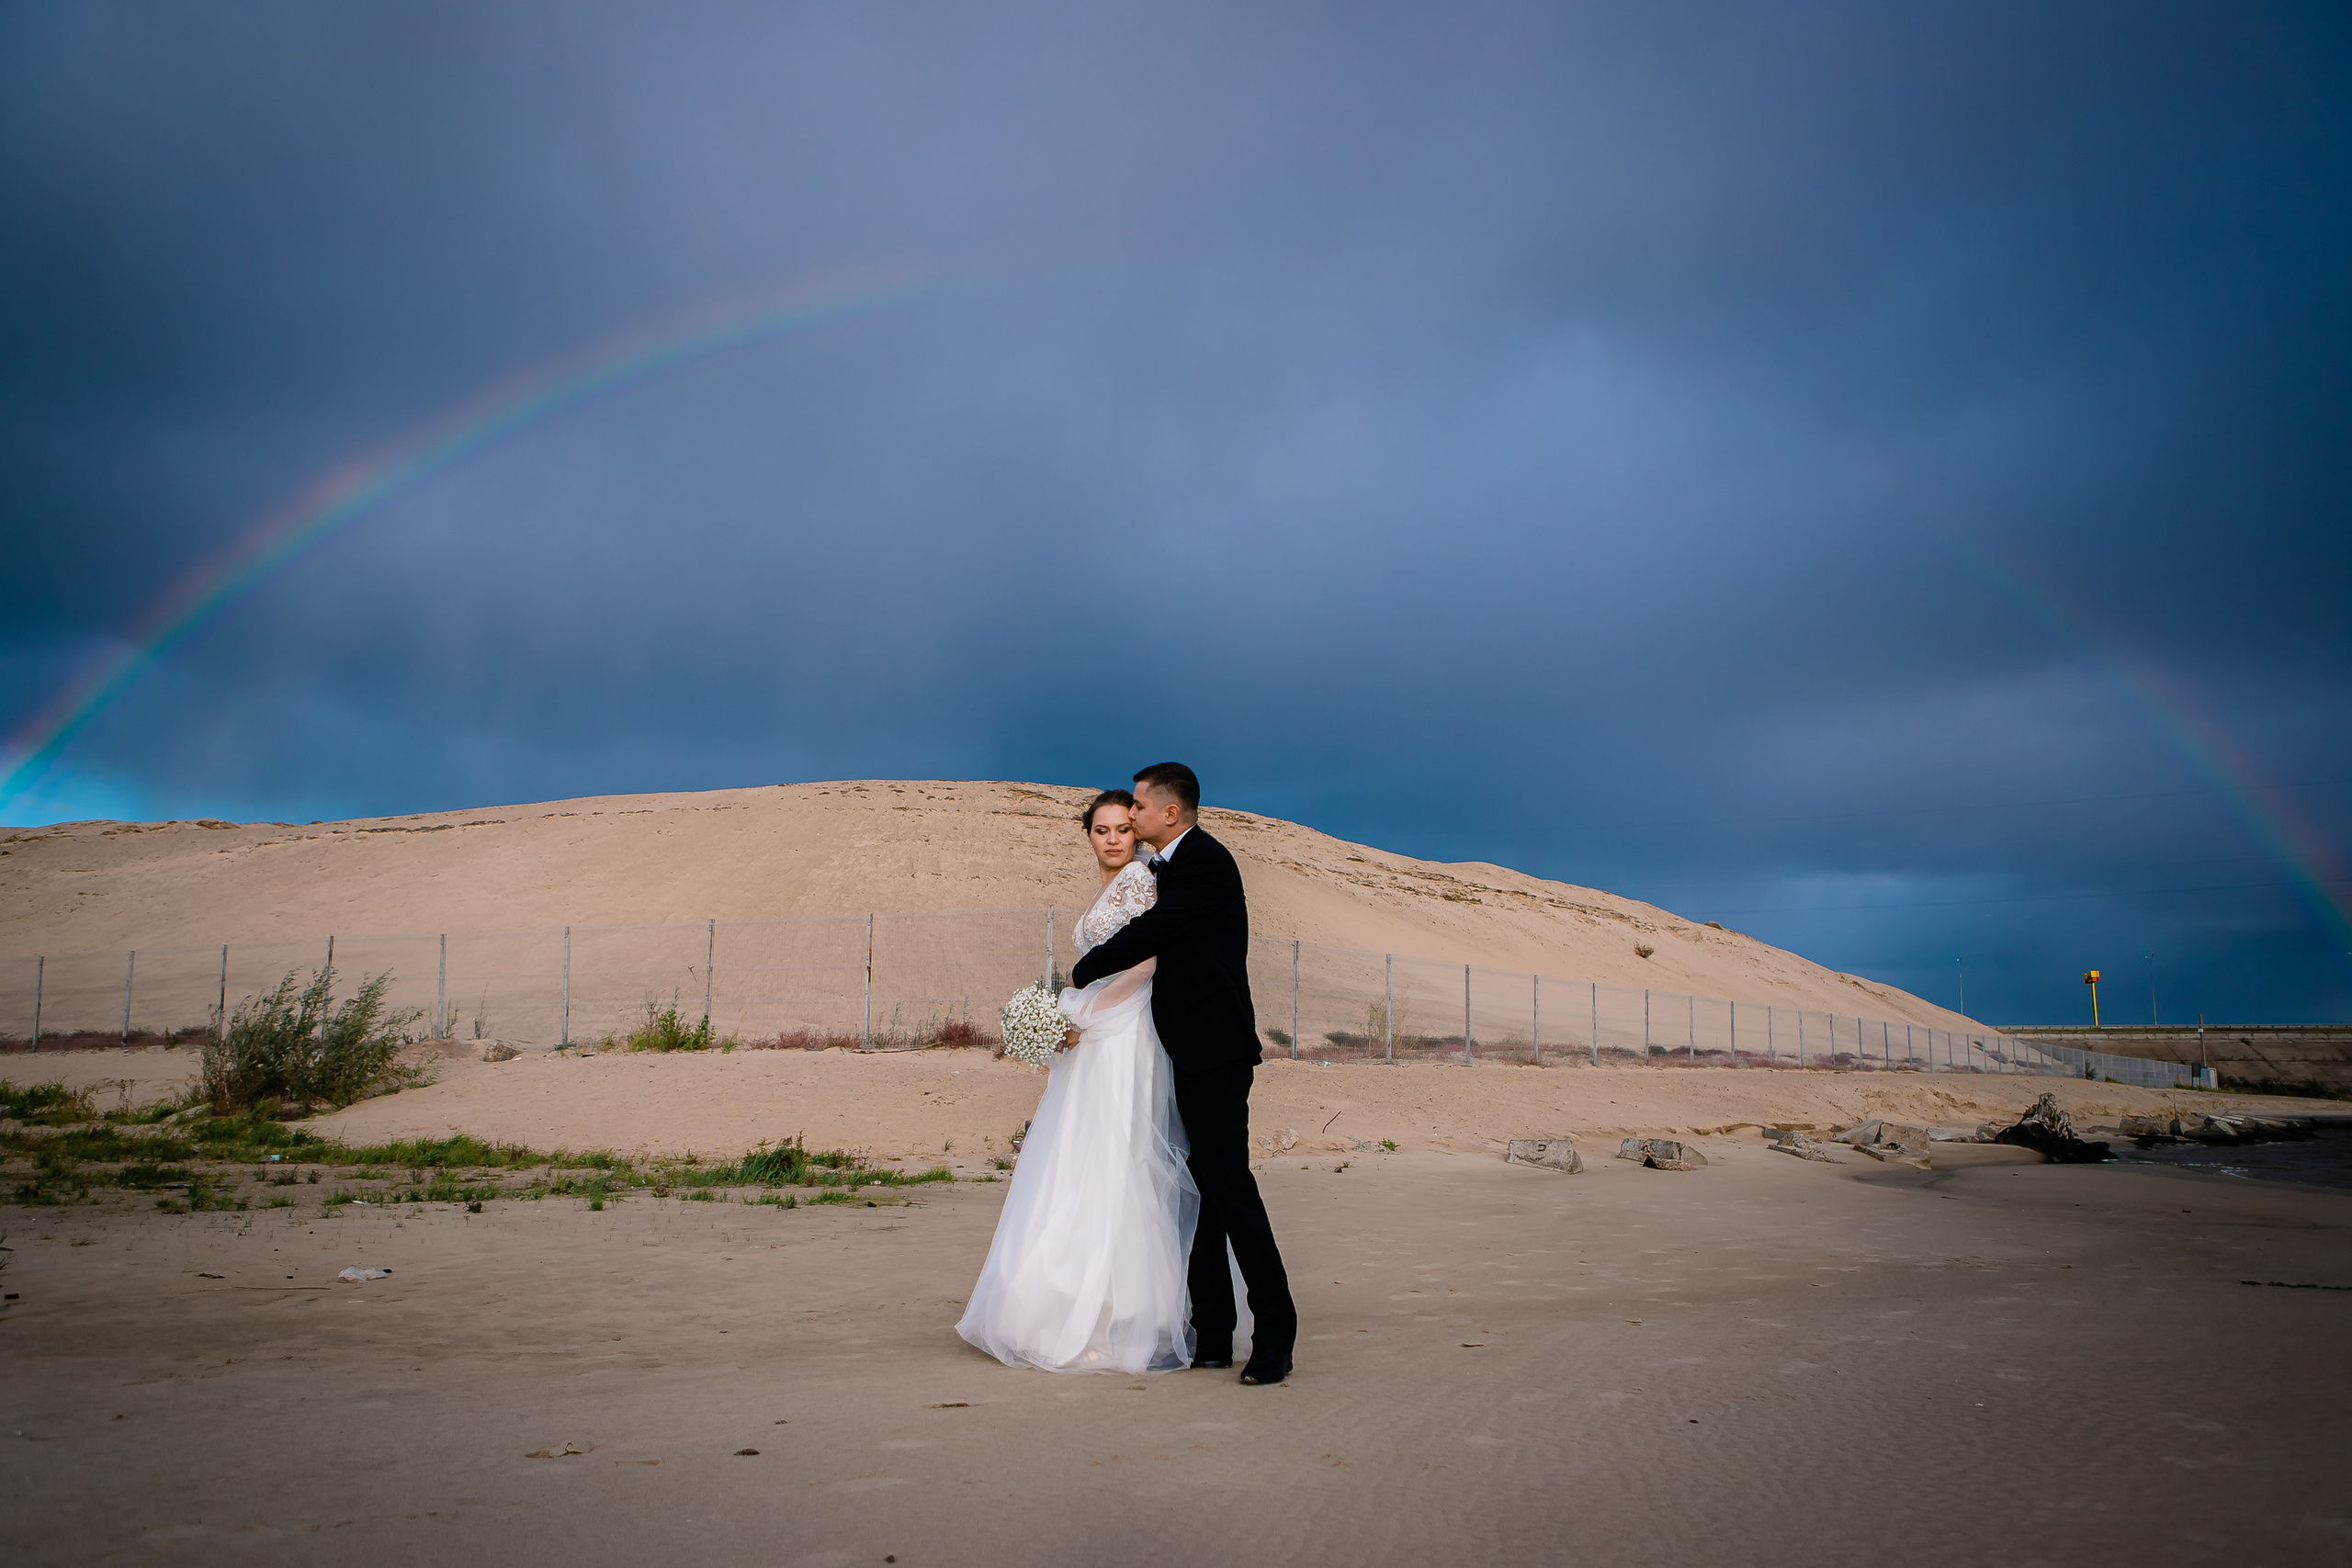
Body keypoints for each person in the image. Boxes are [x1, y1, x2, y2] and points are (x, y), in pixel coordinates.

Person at [955, 789, 1201, 1373]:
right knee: (1079, 1154)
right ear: (1088, 834)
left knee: (1116, 1155)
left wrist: (1082, 1012)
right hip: (1096, 1027)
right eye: (1101, 830)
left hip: (1121, 1031)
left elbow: (1148, 960)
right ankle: (1069, 1300)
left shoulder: (1142, 881)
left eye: (1123, 828)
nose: (1113, 839)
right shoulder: (1113, 885)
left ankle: (1113, 1315)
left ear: (1137, 834)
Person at [1070, 761, 1297, 1386]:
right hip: (1182, 1051)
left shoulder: (1202, 861)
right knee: (1203, 1192)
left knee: (1229, 1187)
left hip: (1214, 1052)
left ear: (1170, 813)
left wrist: (1080, 973)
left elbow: (1154, 932)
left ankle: (1276, 1333)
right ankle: (1216, 1333)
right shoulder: (1168, 867)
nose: (1132, 815)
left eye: (1139, 806)